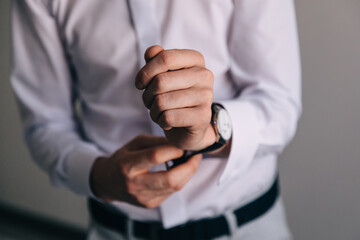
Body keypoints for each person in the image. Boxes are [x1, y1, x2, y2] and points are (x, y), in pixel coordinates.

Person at [11, 0, 301, 239]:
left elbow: (279, 104)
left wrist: (212, 129)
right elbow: (45, 124)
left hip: (247, 226)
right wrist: (97, 175)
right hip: (114, 230)